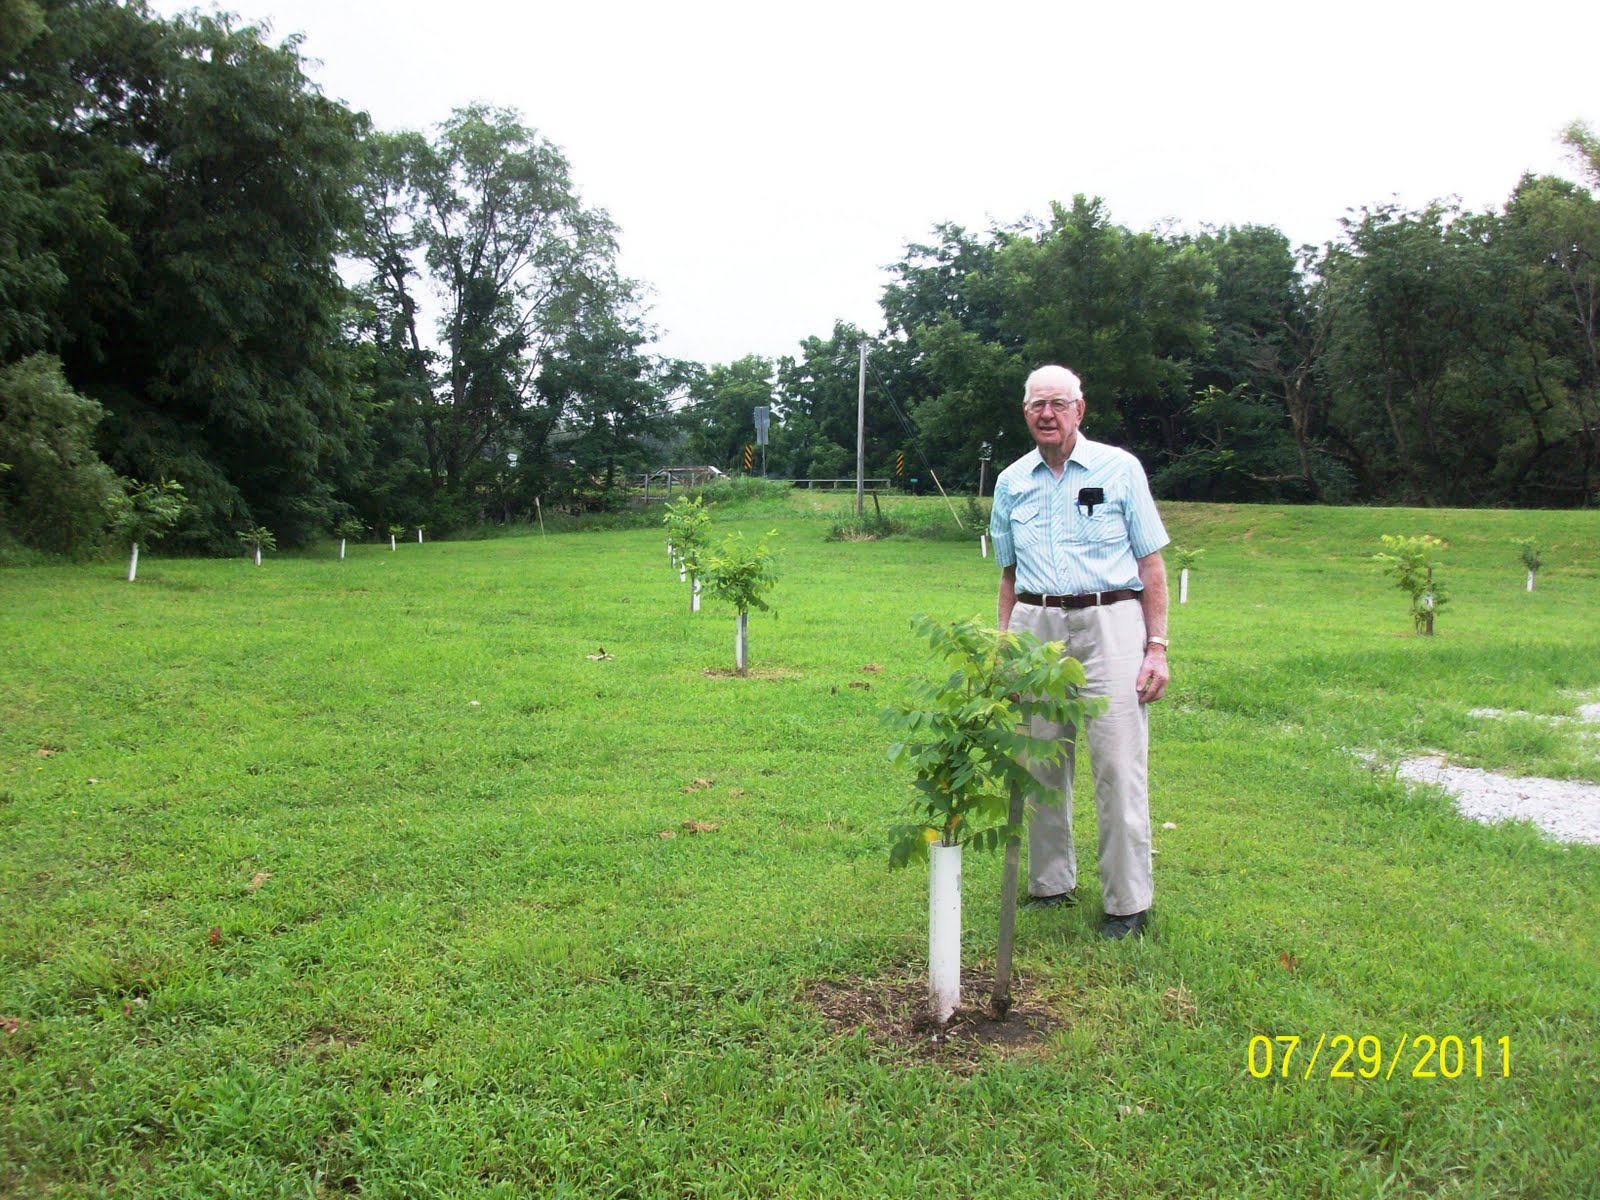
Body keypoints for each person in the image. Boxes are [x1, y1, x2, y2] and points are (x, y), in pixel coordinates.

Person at [989, 364, 1170, 940]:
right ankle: (1050, 884)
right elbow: (1008, 575)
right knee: (1040, 760)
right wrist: (1003, 646)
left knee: (1117, 763)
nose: (1048, 413)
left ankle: (1127, 903)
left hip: (1111, 622)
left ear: (1080, 410)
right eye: (1037, 404)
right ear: (1025, 413)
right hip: (1035, 623)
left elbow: (1151, 565)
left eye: (1058, 404)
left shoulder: (1119, 469)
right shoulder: (1012, 482)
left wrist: (1157, 647)